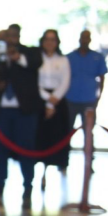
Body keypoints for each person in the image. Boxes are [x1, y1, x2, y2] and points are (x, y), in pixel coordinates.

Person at [0, 27, 43, 208]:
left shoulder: (29, 52)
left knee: (26, 149)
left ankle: (28, 186)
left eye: (12, 37)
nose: (9, 41)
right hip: (2, 110)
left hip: (25, 110)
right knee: (1, 149)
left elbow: (35, 63)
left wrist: (17, 57)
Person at [36, 29, 71, 176]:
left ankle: (60, 165)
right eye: (47, 39)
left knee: (58, 135)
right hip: (40, 100)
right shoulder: (37, 58)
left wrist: (53, 100)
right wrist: (46, 99)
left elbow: (65, 81)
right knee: (40, 135)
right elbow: (34, 81)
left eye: (53, 39)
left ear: (57, 42)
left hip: (58, 101)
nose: (49, 43)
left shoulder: (63, 60)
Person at [66, 29, 107, 130]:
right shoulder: (69, 57)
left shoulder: (98, 57)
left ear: (90, 40)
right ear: (79, 39)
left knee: (88, 130)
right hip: (70, 100)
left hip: (89, 100)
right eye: (83, 37)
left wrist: (99, 97)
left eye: (87, 38)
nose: (84, 40)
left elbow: (102, 78)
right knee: (67, 129)